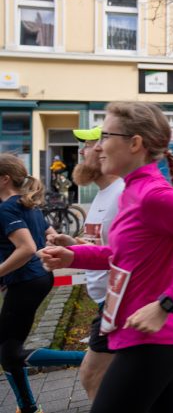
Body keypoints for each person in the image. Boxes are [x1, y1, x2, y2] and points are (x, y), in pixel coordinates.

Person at [38, 102, 173, 413]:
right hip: (142, 334)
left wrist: (166, 304)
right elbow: (121, 256)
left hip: (151, 339)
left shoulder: (154, 195)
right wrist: (72, 256)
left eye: (106, 136)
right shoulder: (131, 191)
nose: (98, 146)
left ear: (135, 144)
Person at [0, 154, 86, 413]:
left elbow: (25, 248)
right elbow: (49, 234)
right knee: (8, 350)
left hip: (27, 281)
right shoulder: (27, 205)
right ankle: (26, 406)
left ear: (4, 179)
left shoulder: (7, 209)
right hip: (37, 279)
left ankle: (93, 357)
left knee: (10, 352)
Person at [46, 125, 125, 401]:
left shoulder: (122, 193)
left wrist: (75, 254)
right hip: (108, 301)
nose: (82, 151)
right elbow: (102, 247)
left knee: (92, 376)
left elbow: (123, 254)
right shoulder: (103, 195)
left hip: (120, 303)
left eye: (90, 144)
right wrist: (72, 243)